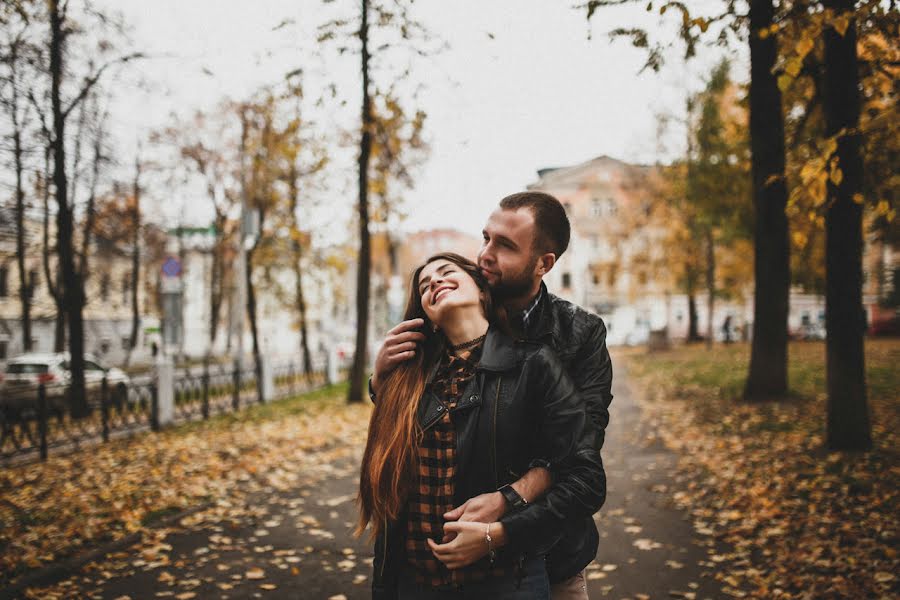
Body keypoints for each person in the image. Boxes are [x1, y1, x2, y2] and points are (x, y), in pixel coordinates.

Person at [371, 191, 613, 599]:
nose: (485, 255)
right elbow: (415, 416)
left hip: (550, 551)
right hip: (434, 569)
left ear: (544, 264)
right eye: (486, 238)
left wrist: (508, 502)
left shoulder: (578, 334)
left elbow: (580, 451)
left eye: (504, 246)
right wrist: (380, 380)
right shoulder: (454, 316)